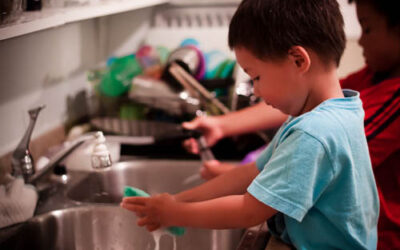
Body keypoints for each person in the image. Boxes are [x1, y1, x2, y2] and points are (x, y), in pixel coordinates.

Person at [121, 0, 379, 249]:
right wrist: (177, 200)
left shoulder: (314, 133)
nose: (256, 89)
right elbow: (250, 174)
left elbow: (249, 211)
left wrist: (176, 214)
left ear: (298, 60)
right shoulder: (336, 111)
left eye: (256, 76)